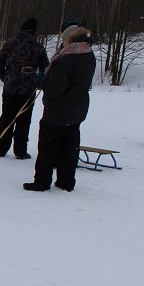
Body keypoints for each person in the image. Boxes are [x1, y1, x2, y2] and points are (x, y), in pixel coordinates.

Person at [23, 21, 96, 192]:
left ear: (70, 40)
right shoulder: (88, 55)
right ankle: (66, 181)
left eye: (64, 40)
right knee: (69, 148)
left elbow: (55, 89)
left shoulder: (66, 60)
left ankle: (42, 181)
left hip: (59, 111)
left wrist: (39, 81)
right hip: (77, 109)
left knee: (48, 147)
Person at [0, 18, 49, 159]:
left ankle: (1, 149)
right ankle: (20, 151)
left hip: (10, 89)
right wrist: (37, 81)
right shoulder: (38, 47)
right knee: (24, 120)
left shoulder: (9, 44)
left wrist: (6, 78)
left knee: (6, 118)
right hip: (28, 90)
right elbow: (45, 69)